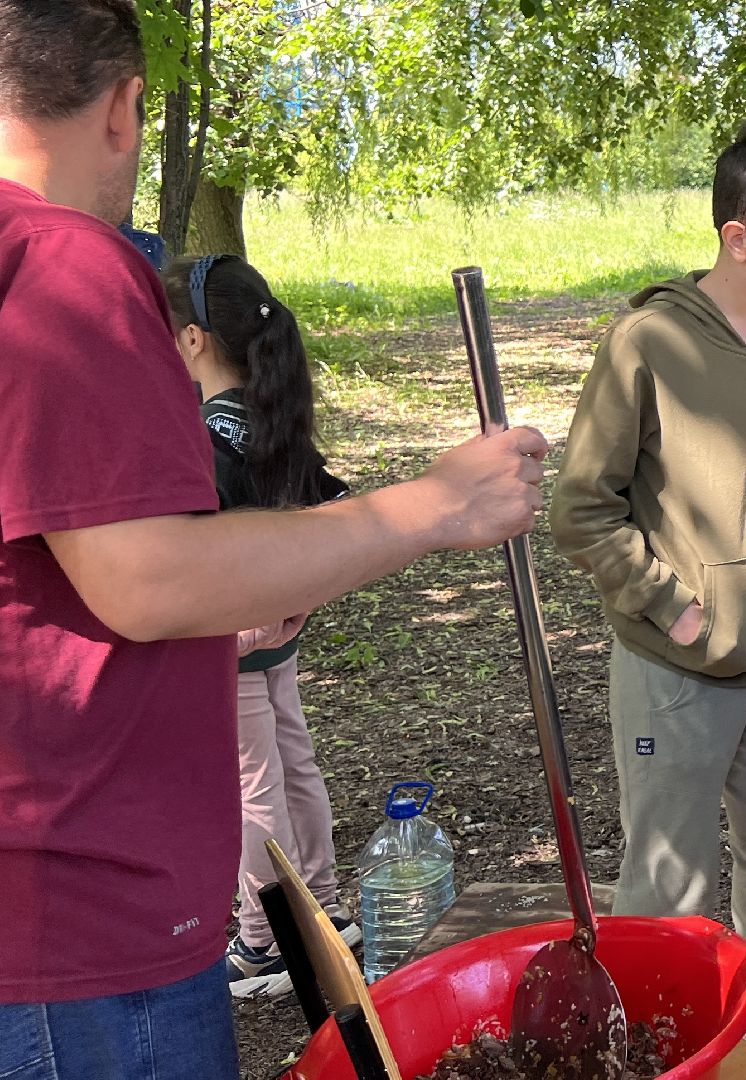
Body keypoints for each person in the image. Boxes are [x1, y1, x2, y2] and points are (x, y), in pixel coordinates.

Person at [0, 3, 547, 1077]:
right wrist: (436, 506)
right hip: (85, 921)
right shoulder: (64, 265)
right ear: (124, 107)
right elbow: (148, 578)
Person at [550, 116, 746, 1080]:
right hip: (674, 670)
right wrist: (672, 604)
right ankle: (673, 1059)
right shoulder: (648, 343)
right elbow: (581, 508)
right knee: (667, 891)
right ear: (737, 236)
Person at [161, 253, 358, 997]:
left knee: (252, 786)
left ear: (192, 340)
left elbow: (201, 553)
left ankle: (264, 940)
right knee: (291, 763)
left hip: (234, 640)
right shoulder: (272, 415)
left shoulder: (204, 440)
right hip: (279, 631)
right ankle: (326, 909)